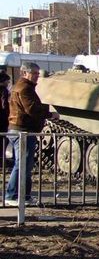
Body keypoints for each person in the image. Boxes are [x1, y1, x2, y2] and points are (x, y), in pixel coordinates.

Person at [4, 62, 59, 206]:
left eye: (37, 74)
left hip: (22, 129)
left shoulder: (23, 87)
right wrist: (50, 114)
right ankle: (13, 195)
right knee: (22, 165)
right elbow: (32, 109)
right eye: (34, 73)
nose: (36, 76)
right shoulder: (24, 88)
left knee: (24, 165)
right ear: (24, 73)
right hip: (22, 130)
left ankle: (24, 196)